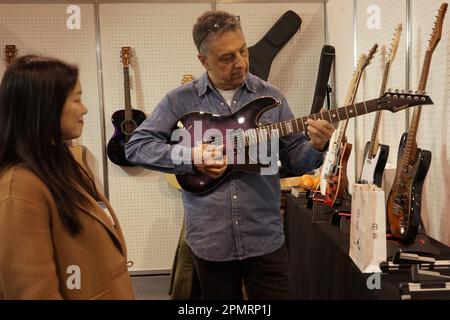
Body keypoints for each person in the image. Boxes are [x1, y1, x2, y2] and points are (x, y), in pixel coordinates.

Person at [125, 10, 335, 299]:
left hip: (265, 239)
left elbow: (293, 158)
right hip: (210, 243)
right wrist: (191, 157)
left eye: (243, 50)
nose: (241, 63)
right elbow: (136, 146)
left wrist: (317, 146)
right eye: (227, 57)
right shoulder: (179, 100)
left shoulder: (271, 97)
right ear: (203, 60)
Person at [0, 55, 135, 299]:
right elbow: (33, 292)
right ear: (43, 106)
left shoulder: (64, 164)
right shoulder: (20, 188)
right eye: (76, 99)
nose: (84, 109)